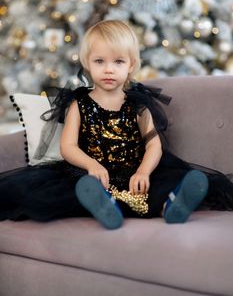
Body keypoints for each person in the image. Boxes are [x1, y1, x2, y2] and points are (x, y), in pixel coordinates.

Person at [0, 20, 233, 229]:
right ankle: (105, 205)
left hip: (135, 171)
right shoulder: (78, 103)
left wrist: (143, 171)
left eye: (118, 61)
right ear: (87, 63)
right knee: (75, 190)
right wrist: (92, 165)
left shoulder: (138, 104)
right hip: (93, 172)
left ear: (131, 65)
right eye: (100, 61)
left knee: (160, 184)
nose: (109, 69)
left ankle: (171, 206)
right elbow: (68, 146)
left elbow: (154, 145)